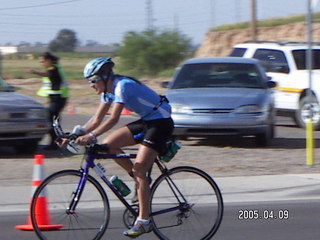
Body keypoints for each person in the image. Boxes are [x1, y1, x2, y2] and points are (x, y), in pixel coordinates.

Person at [65, 57, 173, 238]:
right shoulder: (107, 92)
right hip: (148, 121)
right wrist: (75, 134)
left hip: (161, 122)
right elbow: (97, 119)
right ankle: (141, 181)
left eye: (93, 80)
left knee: (139, 170)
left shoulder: (123, 86)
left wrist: (91, 136)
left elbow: (113, 118)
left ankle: (144, 221)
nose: (91, 85)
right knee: (109, 145)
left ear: (105, 77)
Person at [28, 52, 69, 150]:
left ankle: (57, 141)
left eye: (43, 60)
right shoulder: (55, 68)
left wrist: (35, 72)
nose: (41, 62)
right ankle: (57, 141)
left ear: (49, 60)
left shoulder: (53, 69)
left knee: (50, 120)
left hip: (58, 99)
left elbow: (47, 74)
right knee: (53, 120)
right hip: (56, 99)